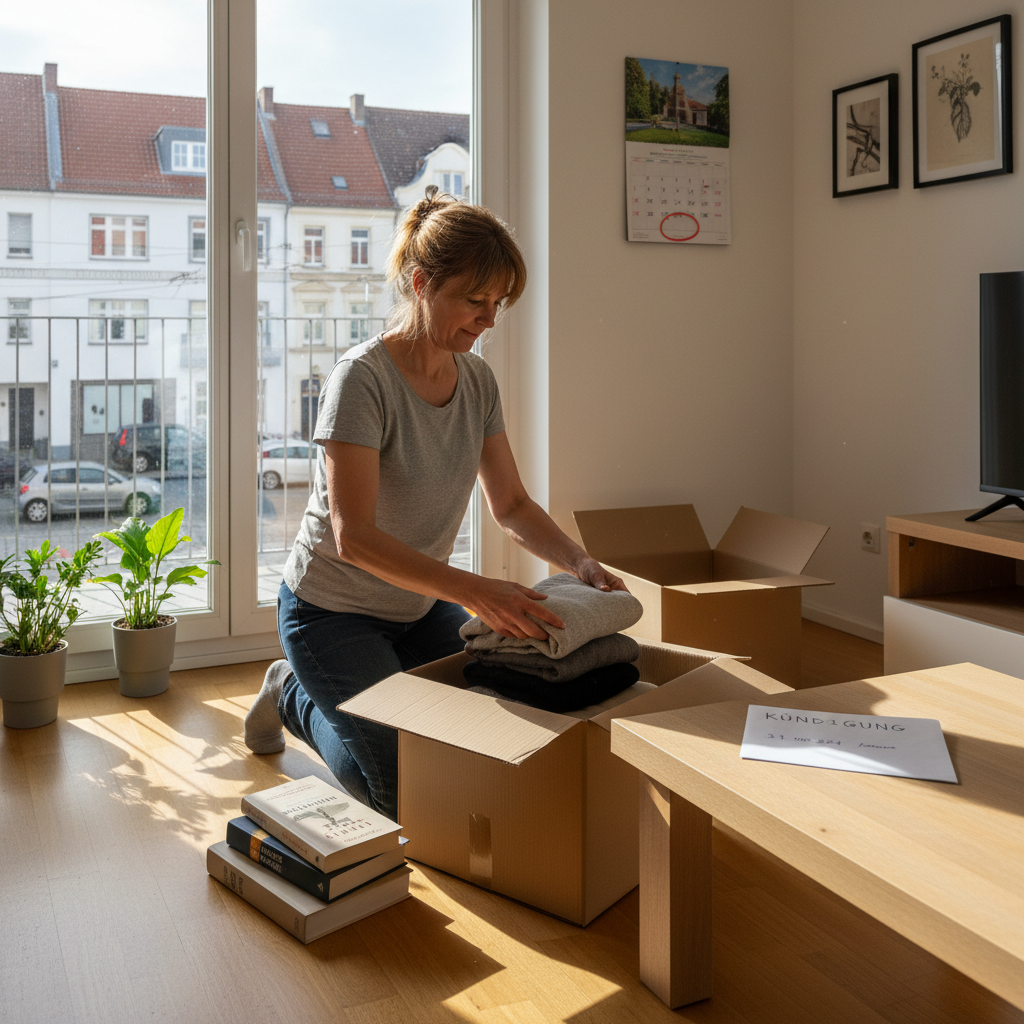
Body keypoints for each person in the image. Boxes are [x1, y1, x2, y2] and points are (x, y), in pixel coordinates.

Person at [244, 185, 624, 821]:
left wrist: (579, 563)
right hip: (331, 612)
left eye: (498, 303)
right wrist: (476, 592)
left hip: (420, 610)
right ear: (421, 283)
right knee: (403, 792)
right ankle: (292, 692)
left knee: (483, 750)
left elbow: (512, 505)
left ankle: (324, 690)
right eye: (474, 300)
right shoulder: (361, 380)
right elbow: (354, 537)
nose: (489, 318)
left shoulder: (476, 379)